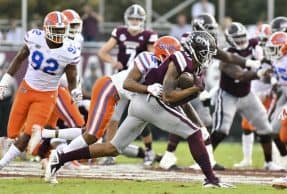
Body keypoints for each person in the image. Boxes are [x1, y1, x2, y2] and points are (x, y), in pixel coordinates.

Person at [46, 31, 234, 188]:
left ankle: (61, 157)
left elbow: (179, 103)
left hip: (141, 104)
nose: (209, 57)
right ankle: (211, 178)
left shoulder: (191, 65)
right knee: (193, 134)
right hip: (149, 101)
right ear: (196, 50)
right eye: (206, 52)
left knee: (112, 148)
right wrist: (194, 90)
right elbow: (168, 96)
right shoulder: (180, 59)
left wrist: (193, 100)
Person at [158, 13, 261, 170]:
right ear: (200, 28)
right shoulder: (189, 40)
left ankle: (201, 158)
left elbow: (226, 56)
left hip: (194, 87)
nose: (213, 31)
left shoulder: (206, 41)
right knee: (188, 122)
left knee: (203, 123)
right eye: (210, 28)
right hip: (181, 86)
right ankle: (169, 156)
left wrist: (248, 62)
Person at [0, 11, 81, 170]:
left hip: (47, 95)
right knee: (12, 132)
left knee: (29, 132)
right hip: (26, 89)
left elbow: (72, 78)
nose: (58, 33)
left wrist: (75, 91)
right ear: (45, 28)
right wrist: (4, 82)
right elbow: (19, 59)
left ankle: (2, 165)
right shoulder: (34, 37)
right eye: (55, 30)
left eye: (61, 30)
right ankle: (33, 150)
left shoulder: (69, 51)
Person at [210, 22, 283, 171]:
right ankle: (206, 159)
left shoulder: (253, 44)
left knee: (265, 128)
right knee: (221, 130)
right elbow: (240, 75)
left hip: (246, 94)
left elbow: (267, 48)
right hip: (228, 95)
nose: (242, 41)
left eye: (243, 37)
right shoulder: (226, 54)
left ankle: (269, 163)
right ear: (230, 39)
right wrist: (260, 72)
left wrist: (265, 59)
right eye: (237, 39)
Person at [98, 4, 158, 165]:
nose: (135, 21)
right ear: (127, 19)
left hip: (137, 82)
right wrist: (114, 62)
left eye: (138, 18)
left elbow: (154, 58)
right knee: (113, 118)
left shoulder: (148, 35)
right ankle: (109, 154)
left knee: (140, 116)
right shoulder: (120, 32)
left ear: (143, 20)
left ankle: (149, 151)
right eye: (132, 18)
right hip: (121, 81)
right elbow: (103, 51)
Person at [267, 32, 287, 189]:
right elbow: (279, 75)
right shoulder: (278, 60)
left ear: (286, 47)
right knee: (286, 136)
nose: (273, 51)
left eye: (276, 48)